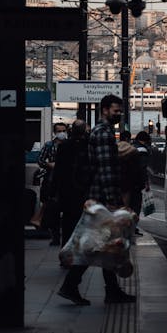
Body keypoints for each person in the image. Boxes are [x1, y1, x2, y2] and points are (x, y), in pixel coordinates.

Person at [57, 94, 136, 306]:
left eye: (120, 110)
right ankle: (73, 286)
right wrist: (114, 201)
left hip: (99, 195)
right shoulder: (103, 133)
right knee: (97, 245)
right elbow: (105, 168)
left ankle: (106, 290)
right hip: (102, 197)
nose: (118, 114)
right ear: (104, 110)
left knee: (104, 244)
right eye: (115, 110)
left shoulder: (104, 131)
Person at [53, 119, 91, 251]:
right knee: (83, 221)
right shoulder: (88, 146)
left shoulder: (63, 146)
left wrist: (54, 190)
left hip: (67, 190)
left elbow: (58, 169)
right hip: (84, 190)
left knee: (67, 222)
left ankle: (66, 250)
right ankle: (79, 249)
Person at [35, 122, 68, 245]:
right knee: (53, 209)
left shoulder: (68, 145)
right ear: (55, 133)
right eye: (59, 131)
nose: (61, 133)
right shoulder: (49, 145)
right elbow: (40, 160)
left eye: (63, 130)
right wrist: (50, 165)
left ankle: (64, 235)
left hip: (66, 181)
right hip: (51, 180)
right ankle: (55, 235)